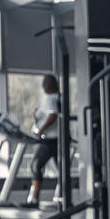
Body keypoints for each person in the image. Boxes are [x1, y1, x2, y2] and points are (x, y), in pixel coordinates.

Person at [24, 74, 62, 208]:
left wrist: (41, 130)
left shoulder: (50, 98)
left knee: (35, 165)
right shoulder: (58, 97)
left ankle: (34, 200)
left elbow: (53, 115)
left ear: (47, 85)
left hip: (50, 140)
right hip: (57, 139)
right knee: (62, 170)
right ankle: (62, 199)